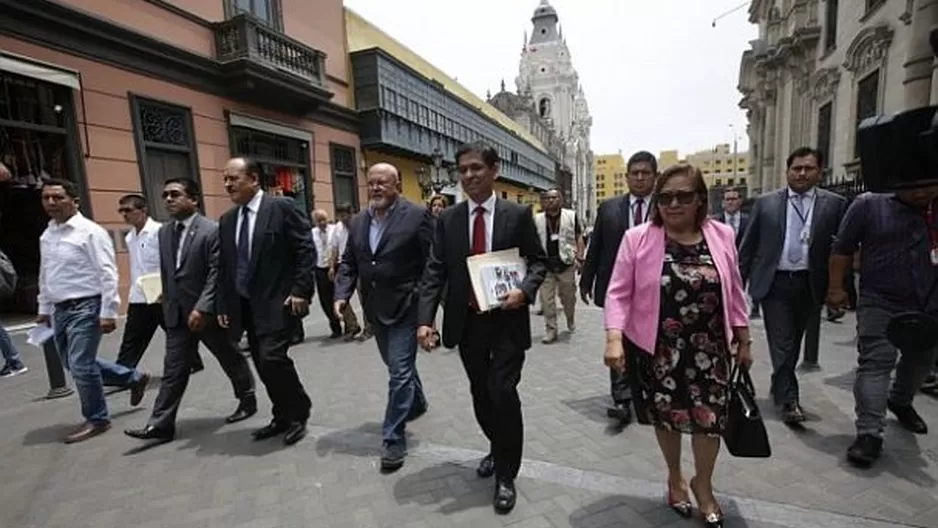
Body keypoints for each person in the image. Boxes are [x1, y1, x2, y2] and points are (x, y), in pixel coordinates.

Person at [603, 164, 751, 527]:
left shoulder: (721, 235)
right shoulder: (638, 238)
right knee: (667, 419)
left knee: (709, 421)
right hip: (659, 350)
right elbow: (618, 293)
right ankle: (674, 477)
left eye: (682, 196)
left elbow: (733, 291)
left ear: (700, 199)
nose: (673, 204)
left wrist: (744, 338)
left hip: (710, 350)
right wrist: (613, 338)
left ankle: (704, 485)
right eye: (665, 197)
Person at [417, 141, 546, 515]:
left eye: (476, 168)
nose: (469, 175)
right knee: (480, 393)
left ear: (494, 171)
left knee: (502, 391)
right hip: (468, 322)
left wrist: (524, 291)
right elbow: (435, 270)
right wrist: (425, 320)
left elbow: (538, 262)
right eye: (463, 170)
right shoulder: (448, 219)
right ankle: (497, 445)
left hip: (506, 321)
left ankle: (506, 474)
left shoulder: (517, 214)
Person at [125, 179, 257, 442]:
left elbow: (216, 273)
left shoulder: (212, 230)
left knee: (229, 357)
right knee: (174, 369)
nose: (168, 199)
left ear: (194, 200)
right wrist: (162, 297)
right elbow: (168, 271)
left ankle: (247, 398)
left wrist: (204, 307)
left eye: (175, 194)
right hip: (175, 313)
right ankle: (161, 424)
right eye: (165, 195)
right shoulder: (163, 233)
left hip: (207, 313)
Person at [828, 186, 938, 467]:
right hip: (880, 299)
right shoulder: (868, 205)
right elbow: (842, 248)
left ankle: (900, 400)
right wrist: (836, 288)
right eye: (915, 184)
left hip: (930, 302)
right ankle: (869, 433)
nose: (921, 192)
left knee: (921, 361)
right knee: (877, 361)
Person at [334, 162, 433, 471]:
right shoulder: (359, 221)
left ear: (397, 185)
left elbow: (433, 263)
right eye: (371, 183)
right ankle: (416, 400)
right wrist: (341, 295)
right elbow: (350, 261)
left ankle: (393, 437)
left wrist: (427, 311)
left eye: (382, 183)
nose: (375, 188)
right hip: (376, 309)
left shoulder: (417, 216)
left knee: (399, 371)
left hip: (406, 306)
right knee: (395, 364)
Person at [738, 147, 847, 423]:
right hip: (774, 283)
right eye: (796, 168)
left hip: (810, 283)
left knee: (794, 340)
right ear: (787, 171)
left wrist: (840, 289)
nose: (801, 173)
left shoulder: (834, 204)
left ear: (819, 172)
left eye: (808, 168)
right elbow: (748, 248)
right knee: (782, 340)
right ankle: (790, 400)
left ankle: (779, 382)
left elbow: (842, 249)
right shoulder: (766, 203)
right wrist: (736, 287)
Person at [36, 179, 148, 443]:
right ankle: (133, 377)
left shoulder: (90, 232)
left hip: (86, 306)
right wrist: (43, 308)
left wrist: (108, 311)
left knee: (80, 364)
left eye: (57, 197)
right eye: (46, 198)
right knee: (72, 363)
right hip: (59, 308)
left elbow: (108, 273)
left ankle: (97, 418)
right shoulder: (48, 233)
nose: (51, 203)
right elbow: (45, 273)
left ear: (74, 201)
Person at [216, 157, 315, 446]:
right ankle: (281, 415)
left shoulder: (280, 208)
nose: (227, 184)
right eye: (225, 179)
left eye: (233, 178)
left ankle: (299, 412)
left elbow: (305, 249)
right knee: (261, 362)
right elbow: (225, 266)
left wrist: (301, 290)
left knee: (272, 358)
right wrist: (222, 304)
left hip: (278, 301)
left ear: (254, 179)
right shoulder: (228, 220)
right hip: (245, 307)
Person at [579, 150, 656, 425]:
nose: (639, 178)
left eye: (645, 173)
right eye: (634, 173)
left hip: (654, 290)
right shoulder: (609, 208)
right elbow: (596, 246)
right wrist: (586, 280)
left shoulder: (665, 206)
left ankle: (647, 394)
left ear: (655, 177)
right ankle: (622, 399)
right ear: (626, 177)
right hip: (619, 288)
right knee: (617, 341)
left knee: (651, 343)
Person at [114, 194, 205, 374]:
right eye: (121, 211)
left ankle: (193, 361)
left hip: (161, 292)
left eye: (129, 210)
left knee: (175, 329)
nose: (125, 215)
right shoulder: (130, 237)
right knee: (133, 335)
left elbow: (172, 260)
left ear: (143, 210)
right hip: (140, 294)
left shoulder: (160, 232)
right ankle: (122, 371)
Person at [534, 188, 583, 343]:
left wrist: (580, 257)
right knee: (547, 300)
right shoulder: (537, 219)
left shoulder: (571, 216)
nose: (551, 200)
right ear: (543, 201)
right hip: (545, 265)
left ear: (561, 200)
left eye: (555, 197)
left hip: (565, 263)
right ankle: (551, 330)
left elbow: (578, 236)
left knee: (568, 298)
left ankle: (570, 318)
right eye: (548, 198)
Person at [329, 202, 363, 340]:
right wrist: (331, 267)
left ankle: (369, 327)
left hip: (361, 265)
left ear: (351, 213)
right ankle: (352, 325)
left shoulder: (361, 225)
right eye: (340, 216)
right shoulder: (337, 229)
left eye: (345, 215)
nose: (343, 219)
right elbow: (334, 249)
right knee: (341, 297)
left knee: (364, 297)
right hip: (345, 266)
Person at [311, 209, 342, 338]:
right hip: (320, 268)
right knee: (325, 300)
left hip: (335, 266)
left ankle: (350, 324)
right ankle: (335, 327)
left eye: (324, 219)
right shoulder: (312, 234)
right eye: (319, 221)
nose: (322, 222)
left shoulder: (335, 229)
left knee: (339, 295)